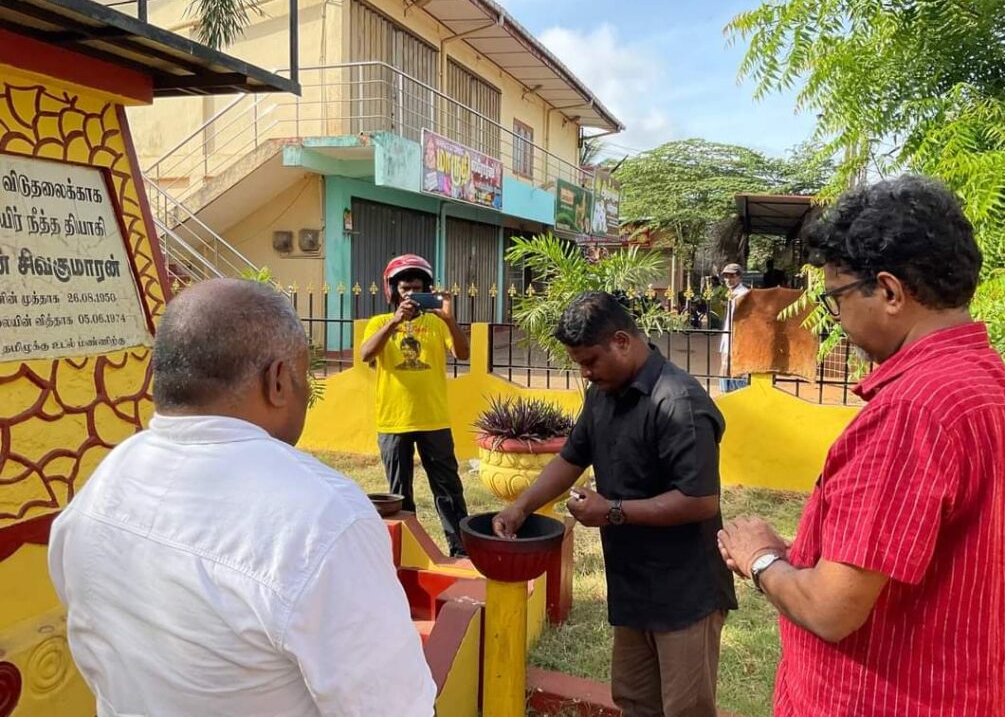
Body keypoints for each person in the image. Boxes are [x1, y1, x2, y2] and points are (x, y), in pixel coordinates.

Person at [48, 279, 435, 716]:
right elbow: (394, 707)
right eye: (304, 379)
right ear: (278, 381)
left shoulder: (99, 486)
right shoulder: (323, 517)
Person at [718, 176, 1005, 716]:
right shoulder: (983, 381)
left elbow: (831, 610)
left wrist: (760, 558)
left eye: (836, 298)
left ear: (889, 292)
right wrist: (805, 555)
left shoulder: (911, 410)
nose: (836, 320)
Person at [494, 291, 736, 717]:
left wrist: (612, 511)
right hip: (632, 583)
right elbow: (572, 456)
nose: (585, 373)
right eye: (579, 364)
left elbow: (698, 500)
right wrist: (521, 507)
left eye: (590, 361)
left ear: (621, 341)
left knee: (686, 709)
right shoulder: (603, 393)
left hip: (685, 591)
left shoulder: (678, 402)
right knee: (634, 701)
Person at [360, 254, 471, 557]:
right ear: (392, 291)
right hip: (394, 422)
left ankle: (461, 551)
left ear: (427, 291)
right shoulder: (380, 323)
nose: (410, 294)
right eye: (405, 288)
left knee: (448, 490)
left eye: (417, 289)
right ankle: (407, 554)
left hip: (434, 419)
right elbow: (366, 355)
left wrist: (449, 319)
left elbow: (463, 353)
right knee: (399, 495)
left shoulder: (436, 323)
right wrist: (395, 322)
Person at [718, 263, 749, 392]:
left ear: (739, 277)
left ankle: (735, 396)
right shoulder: (731, 293)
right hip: (728, 337)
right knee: (726, 367)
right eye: (726, 276)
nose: (728, 279)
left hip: (738, 338)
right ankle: (726, 394)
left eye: (732, 276)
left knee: (736, 370)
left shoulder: (743, 294)